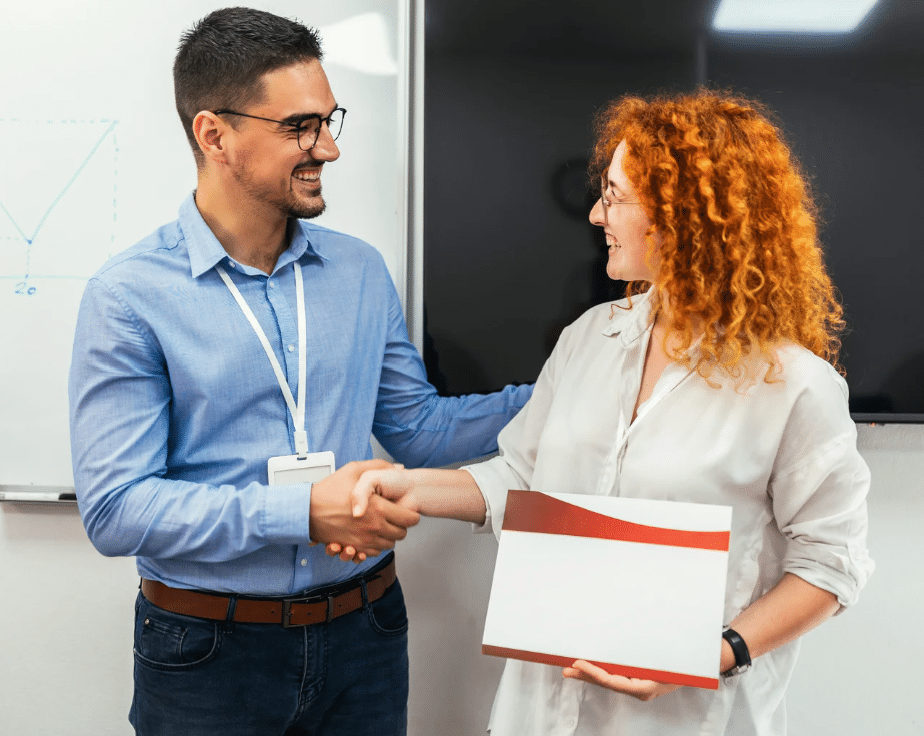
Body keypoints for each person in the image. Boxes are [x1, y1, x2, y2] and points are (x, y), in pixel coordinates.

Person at [341, 89, 874, 735]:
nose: (597, 214)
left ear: (682, 214)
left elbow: (828, 566)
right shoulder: (591, 335)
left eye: (616, 196)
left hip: (687, 717)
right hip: (538, 711)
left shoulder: (797, 386)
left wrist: (716, 652)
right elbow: (525, 481)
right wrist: (408, 486)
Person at [67, 7, 531, 736]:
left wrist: (570, 390)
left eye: (330, 119)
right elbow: (116, 508)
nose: (330, 148)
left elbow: (418, 431)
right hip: (207, 652)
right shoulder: (130, 297)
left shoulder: (359, 271)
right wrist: (303, 511)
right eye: (301, 127)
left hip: (366, 631)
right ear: (214, 135)